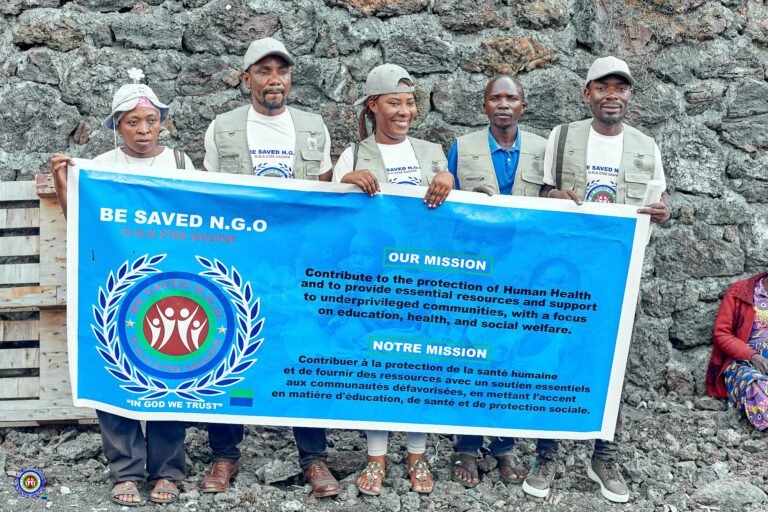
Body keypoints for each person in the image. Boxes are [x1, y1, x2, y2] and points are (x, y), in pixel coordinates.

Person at [524, 56, 671, 503]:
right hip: (565, 273)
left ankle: (603, 455)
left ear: (630, 96)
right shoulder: (563, 136)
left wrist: (664, 212)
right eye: (602, 88)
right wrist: (556, 195)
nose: (612, 96)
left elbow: (658, 203)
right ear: (586, 93)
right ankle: (547, 453)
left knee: (612, 362)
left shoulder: (646, 145)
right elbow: (542, 192)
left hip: (617, 273)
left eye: (620, 88)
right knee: (556, 354)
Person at [201, 37, 338, 499]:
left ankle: (314, 458)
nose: (274, 79)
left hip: (298, 267)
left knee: (304, 352)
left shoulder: (314, 127)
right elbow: (210, 199)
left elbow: (324, 197)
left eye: (281, 70)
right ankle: (225, 454)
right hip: (241, 263)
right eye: (263, 71)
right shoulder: (221, 128)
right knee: (229, 352)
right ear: (246, 80)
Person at [51, 82, 192, 506]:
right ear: (117, 126)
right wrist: (64, 181)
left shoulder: (182, 164)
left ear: (162, 124)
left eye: (151, 121)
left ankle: (167, 469)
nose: (144, 129)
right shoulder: (100, 168)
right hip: (120, 287)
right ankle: (125, 469)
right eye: (133, 122)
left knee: (172, 372)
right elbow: (80, 220)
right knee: (117, 371)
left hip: (171, 288)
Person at [333, 63, 454, 495]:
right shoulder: (355, 152)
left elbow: (451, 205)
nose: (403, 111)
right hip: (377, 282)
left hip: (426, 278)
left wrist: (447, 178)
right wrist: (346, 179)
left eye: (409, 103)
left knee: (420, 361)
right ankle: (377, 455)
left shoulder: (432, 151)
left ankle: (417, 454)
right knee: (379, 363)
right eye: (393, 103)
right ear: (373, 105)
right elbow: (331, 203)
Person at [445, 74, 544, 487]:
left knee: (510, 358)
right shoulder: (462, 147)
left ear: (523, 105)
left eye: (512, 98)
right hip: (476, 274)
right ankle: (466, 447)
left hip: (522, 273)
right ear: (484, 105)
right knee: (472, 356)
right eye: (495, 98)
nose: (504, 104)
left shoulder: (542, 148)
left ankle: (504, 448)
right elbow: (444, 199)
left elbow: (556, 197)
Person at [707, 272, 768, 430]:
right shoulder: (741, 291)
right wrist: (753, 356)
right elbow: (722, 334)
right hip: (742, 362)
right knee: (755, 385)